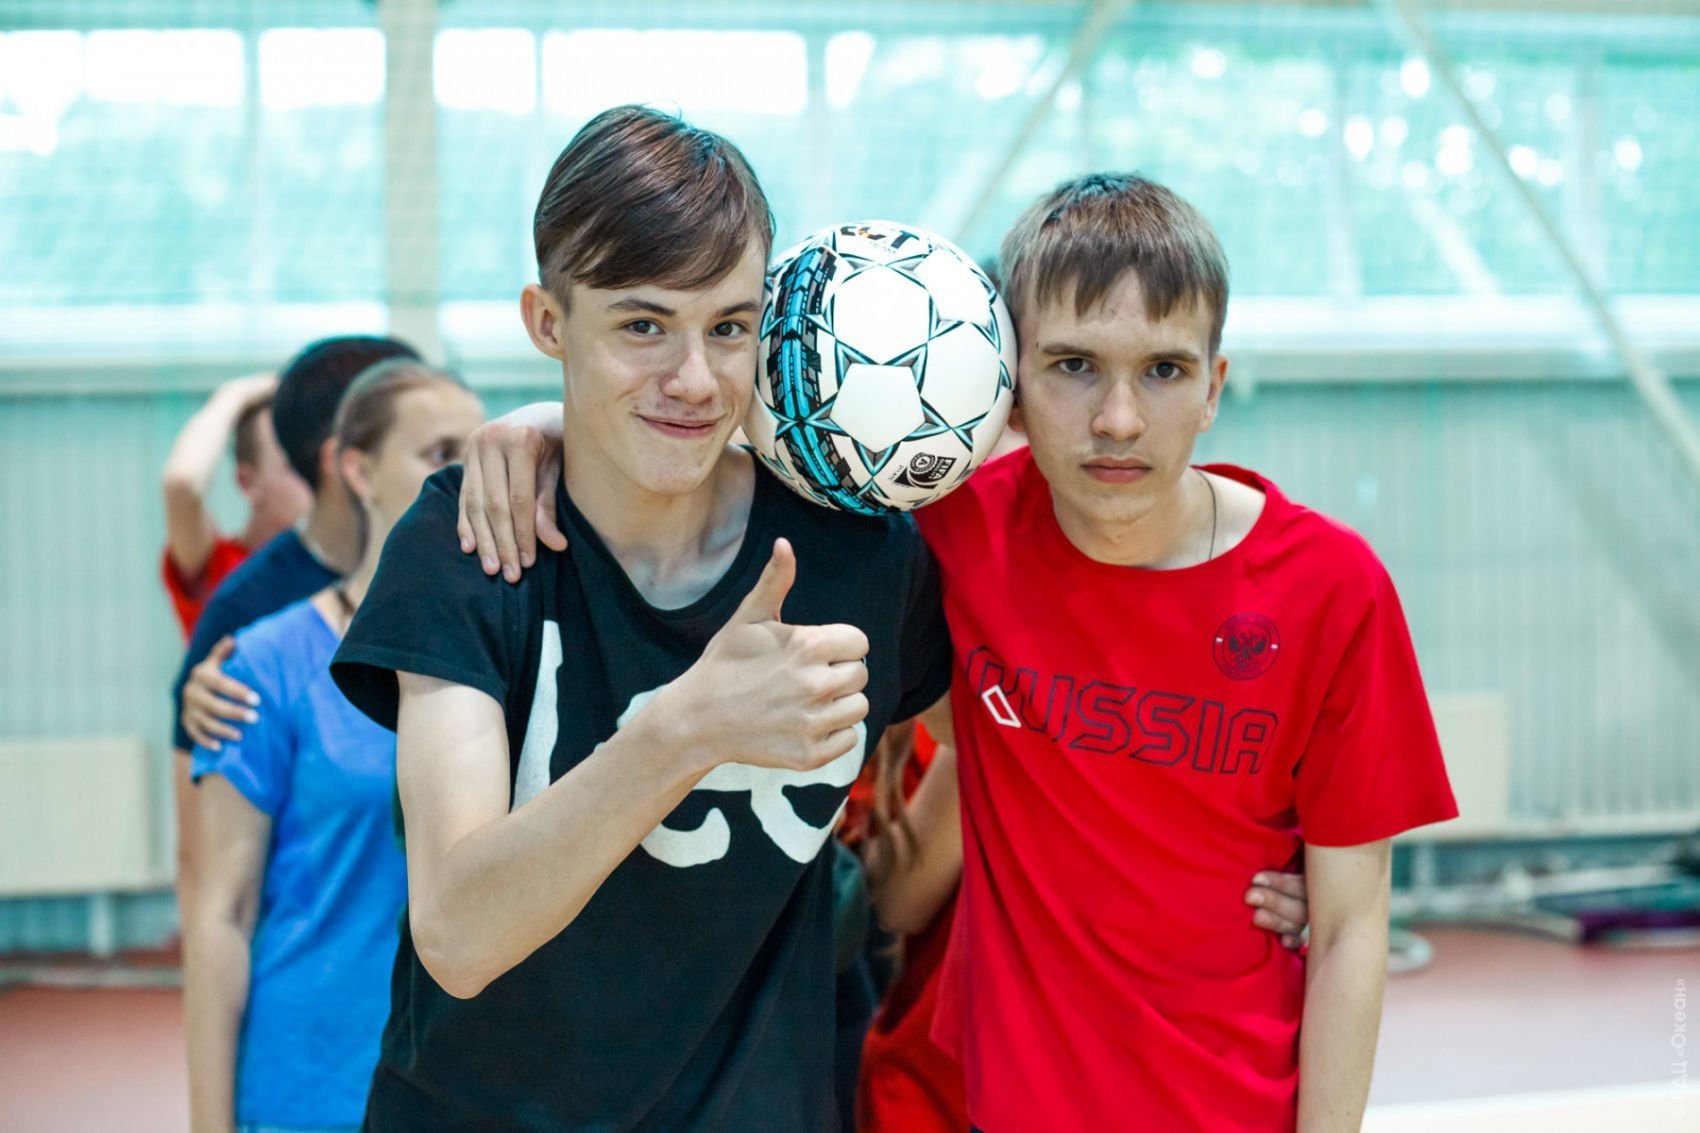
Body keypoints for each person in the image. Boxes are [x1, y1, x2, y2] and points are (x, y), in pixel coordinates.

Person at [458, 171, 1448, 1132]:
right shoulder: (947, 535)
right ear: (1007, 388)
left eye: (1164, 369)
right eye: (1072, 366)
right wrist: (542, 428)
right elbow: (725, 464)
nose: (1118, 418)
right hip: (992, 1104)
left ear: (1213, 385)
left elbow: (1352, 925)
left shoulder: (1330, 588)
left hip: (1235, 1106)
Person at [185, 361, 484, 1133]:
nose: (468, 474)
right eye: (438, 452)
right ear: (358, 470)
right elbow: (222, 913)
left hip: (472, 1081)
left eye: (479, 449)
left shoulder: (511, 653)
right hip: (314, 1084)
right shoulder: (264, 662)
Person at [170, 335, 419, 932]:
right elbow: (207, 862)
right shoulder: (247, 607)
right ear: (350, 463)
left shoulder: (459, 565)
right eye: (435, 448)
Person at [161, 373, 311, 638]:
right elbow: (183, 484)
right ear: (247, 482)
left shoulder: (343, 567)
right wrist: (234, 395)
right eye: (293, 464)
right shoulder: (222, 568)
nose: (313, 475)